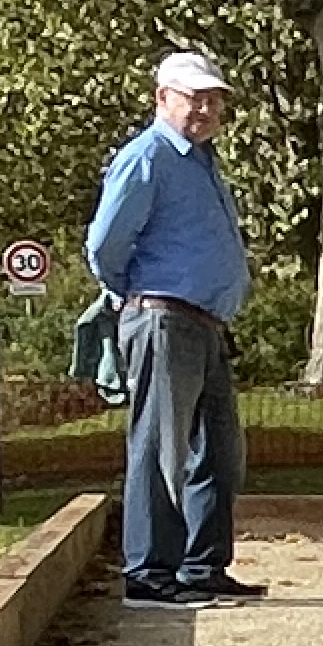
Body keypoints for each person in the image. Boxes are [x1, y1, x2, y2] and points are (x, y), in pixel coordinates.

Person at [86, 49, 261, 610]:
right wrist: (131, 295)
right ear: (163, 99)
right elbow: (105, 244)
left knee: (219, 451)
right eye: (194, 97)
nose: (205, 109)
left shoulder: (201, 163)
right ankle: (149, 573)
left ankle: (201, 566)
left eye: (214, 100)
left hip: (205, 322)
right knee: (161, 445)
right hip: (163, 315)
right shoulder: (148, 157)